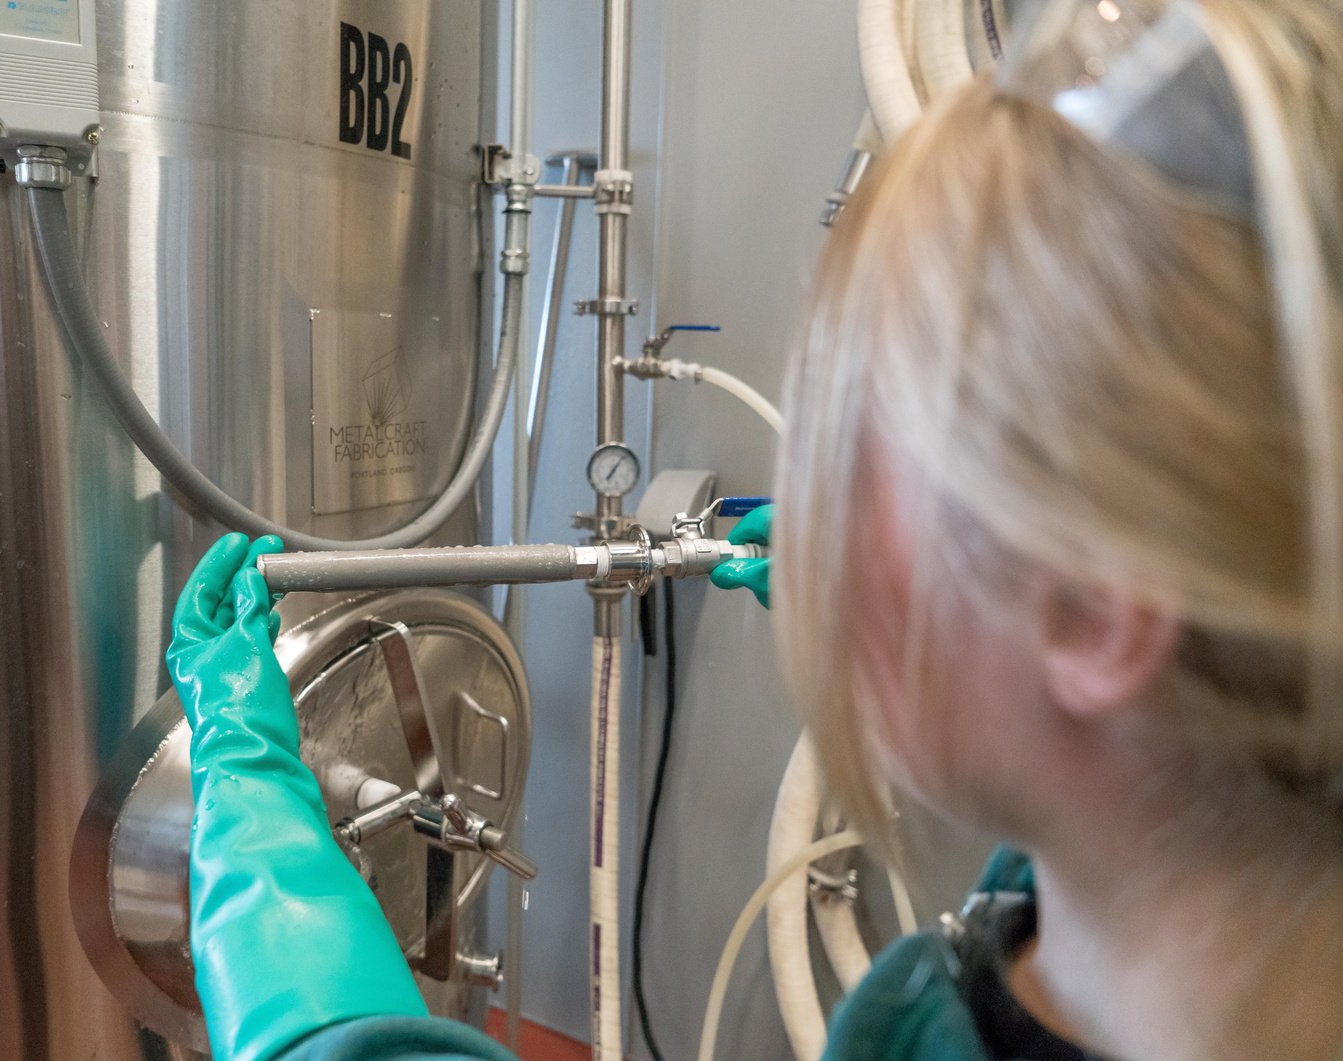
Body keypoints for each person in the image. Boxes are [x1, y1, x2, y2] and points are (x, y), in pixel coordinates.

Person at [165, 0, 1343, 1057]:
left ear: (1091, 605)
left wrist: (258, 812)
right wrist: (906, 603)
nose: (810, 511)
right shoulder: (1165, 899)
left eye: (848, 464)